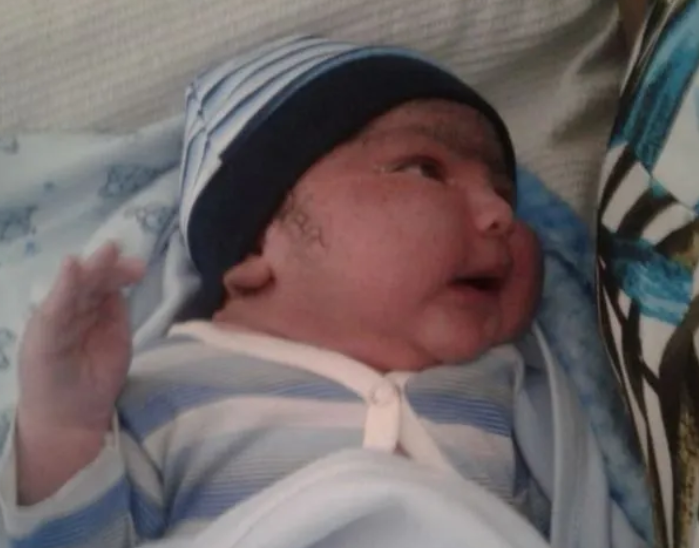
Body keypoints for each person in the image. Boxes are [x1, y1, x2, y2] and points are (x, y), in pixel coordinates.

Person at [0, 36, 643, 548]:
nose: (500, 215)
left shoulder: (513, 392)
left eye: (502, 191)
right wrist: (63, 425)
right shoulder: (169, 387)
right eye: (425, 169)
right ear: (258, 247)